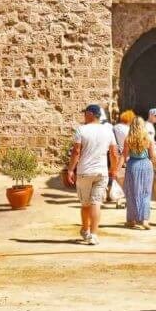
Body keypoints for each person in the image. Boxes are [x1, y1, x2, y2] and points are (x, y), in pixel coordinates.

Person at [67, 104, 119, 245]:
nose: (83, 116)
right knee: (96, 203)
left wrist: (70, 170)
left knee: (85, 204)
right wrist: (113, 169)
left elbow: (76, 152)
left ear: (90, 114)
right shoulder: (108, 131)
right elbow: (114, 153)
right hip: (101, 172)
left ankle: (85, 230)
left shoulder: (81, 130)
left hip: (85, 171)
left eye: (85, 113)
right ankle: (94, 235)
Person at [122, 117, 156, 230]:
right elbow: (153, 156)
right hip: (146, 165)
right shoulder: (148, 139)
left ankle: (131, 220)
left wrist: (118, 167)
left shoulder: (128, 139)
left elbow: (124, 156)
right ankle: (145, 220)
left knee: (131, 193)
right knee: (146, 193)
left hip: (133, 165)